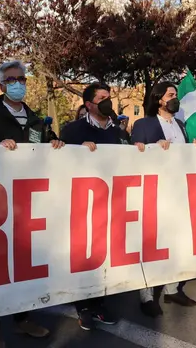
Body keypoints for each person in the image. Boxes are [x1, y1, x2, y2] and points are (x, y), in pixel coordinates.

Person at [0, 60, 60, 347]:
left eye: (21, 78)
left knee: (24, 264)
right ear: (1, 85)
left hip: (29, 203)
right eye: (11, 79)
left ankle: (23, 319)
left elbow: (48, 143)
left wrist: (56, 143)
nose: (18, 83)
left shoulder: (35, 119)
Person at [130, 82, 196, 317]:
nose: (175, 98)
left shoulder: (180, 125)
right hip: (153, 191)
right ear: (158, 99)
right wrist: (152, 148)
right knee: (152, 243)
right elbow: (134, 154)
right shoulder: (144, 124)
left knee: (176, 241)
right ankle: (147, 295)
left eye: (175, 95)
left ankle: (172, 288)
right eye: (170, 95)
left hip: (179, 191)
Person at [60, 82, 121, 330]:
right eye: (102, 98)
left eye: (109, 97)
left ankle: (99, 302)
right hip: (81, 203)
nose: (108, 101)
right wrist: (78, 152)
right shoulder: (73, 130)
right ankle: (83, 306)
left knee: (103, 253)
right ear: (88, 104)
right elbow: (61, 160)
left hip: (111, 202)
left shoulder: (117, 131)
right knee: (83, 255)